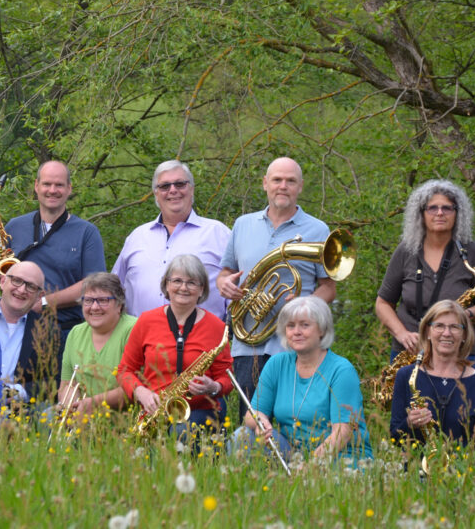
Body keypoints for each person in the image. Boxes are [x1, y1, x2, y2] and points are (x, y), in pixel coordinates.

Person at [216, 157, 335, 419]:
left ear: (300, 186)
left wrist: (304, 308)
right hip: (249, 345)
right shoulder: (242, 224)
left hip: (296, 341)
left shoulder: (318, 229)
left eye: (290, 181)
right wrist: (224, 283)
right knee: (250, 418)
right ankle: (253, 461)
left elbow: (328, 287)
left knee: (295, 415)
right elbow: (225, 272)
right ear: (265, 184)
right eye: (277, 180)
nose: (283, 186)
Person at [375, 179, 475, 370]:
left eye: (447, 208)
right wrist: (402, 334)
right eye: (432, 208)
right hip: (410, 352)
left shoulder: (472, 252)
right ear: (421, 214)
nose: (440, 213)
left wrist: (465, 314)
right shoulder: (405, 251)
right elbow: (382, 303)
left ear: (457, 213)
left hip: (460, 352)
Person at [236, 296, 371, 462]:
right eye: (291, 326)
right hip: (293, 454)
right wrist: (260, 423)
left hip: (340, 457)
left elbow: (343, 432)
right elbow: (251, 413)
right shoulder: (277, 363)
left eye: (305, 325)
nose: (296, 332)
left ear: (322, 329)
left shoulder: (342, 370)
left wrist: (310, 466)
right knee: (241, 436)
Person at [0, 161, 105, 345]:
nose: (52, 190)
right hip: (14, 328)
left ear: (69, 189)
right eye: (47, 184)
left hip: (63, 331)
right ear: (36, 186)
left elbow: (93, 285)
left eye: (59, 185)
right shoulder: (15, 225)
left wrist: (43, 303)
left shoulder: (87, 232)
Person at [118, 254, 233, 432]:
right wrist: (141, 392)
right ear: (166, 285)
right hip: (154, 411)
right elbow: (125, 370)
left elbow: (227, 379)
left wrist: (213, 387)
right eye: (177, 281)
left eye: (192, 282)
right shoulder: (146, 321)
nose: (183, 288)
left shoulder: (217, 327)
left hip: (200, 410)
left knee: (179, 434)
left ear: (202, 289)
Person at [113, 160, 231, 320]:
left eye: (180, 184)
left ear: (191, 189)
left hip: (203, 340)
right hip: (142, 339)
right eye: (165, 186)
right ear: (156, 193)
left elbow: (239, 290)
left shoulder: (219, 234)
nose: (173, 190)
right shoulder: (137, 237)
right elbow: (114, 290)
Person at [390, 300, 475, 445]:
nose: (447, 333)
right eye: (439, 326)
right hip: (417, 465)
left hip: (466, 465)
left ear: (464, 334)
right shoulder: (406, 376)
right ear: (427, 331)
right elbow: (394, 438)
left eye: (455, 327)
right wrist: (410, 423)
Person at [56, 273, 137, 414]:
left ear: (119, 304)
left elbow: (135, 388)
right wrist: (71, 406)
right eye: (88, 300)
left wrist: (92, 404)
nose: (94, 307)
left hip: (121, 418)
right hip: (82, 413)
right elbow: (67, 384)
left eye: (103, 300)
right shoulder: (75, 332)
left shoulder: (134, 329)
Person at [0, 260, 61, 405]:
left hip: (18, 415)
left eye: (31, 286)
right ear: (2, 281)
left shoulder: (49, 331)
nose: (21, 290)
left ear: (40, 296)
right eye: (16, 281)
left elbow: (54, 381)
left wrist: (14, 392)